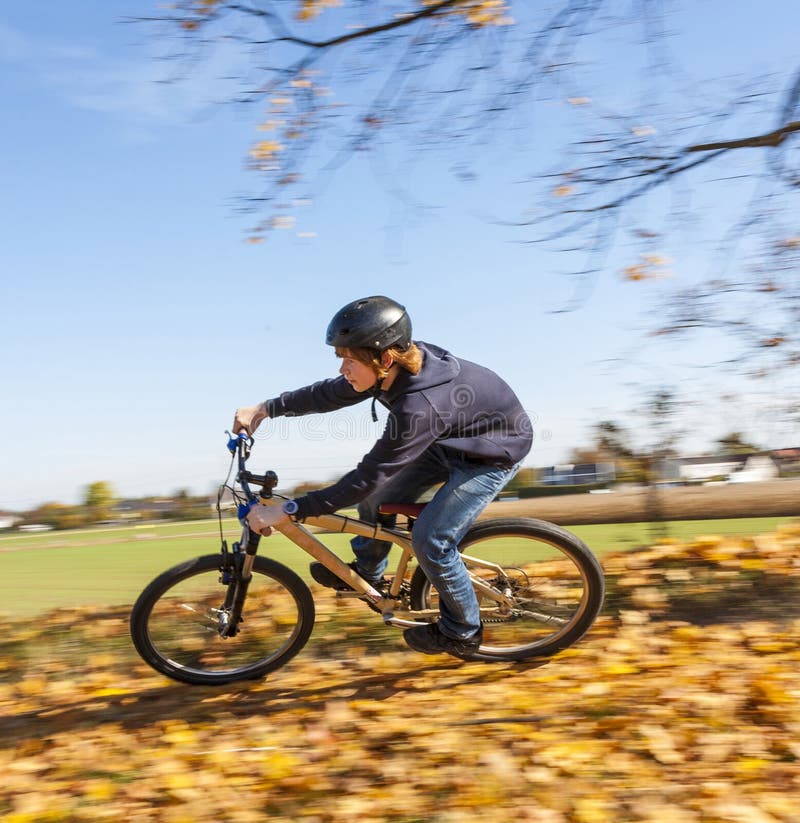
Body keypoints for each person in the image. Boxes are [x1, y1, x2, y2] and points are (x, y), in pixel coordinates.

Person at [233, 296, 532, 659]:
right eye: (341, 358)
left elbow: (368, 475)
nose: (344, 368)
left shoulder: (419, 407)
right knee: (375, 500)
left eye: (350, 359)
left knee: (432, 539)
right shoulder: (391, 366)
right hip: (449, 439)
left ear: (385, 359)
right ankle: (370, 573)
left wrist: (291, 509)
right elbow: (330, 393)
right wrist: (267, 408)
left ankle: (463, 631)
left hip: (490, 453)